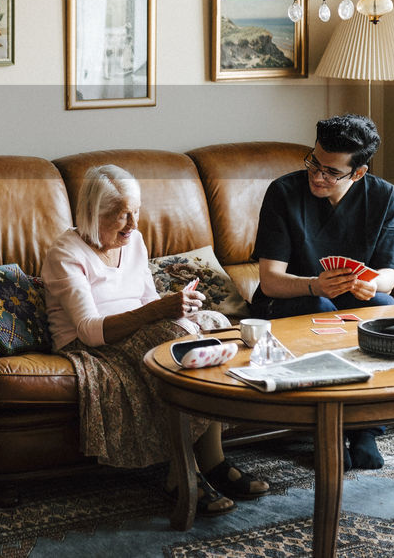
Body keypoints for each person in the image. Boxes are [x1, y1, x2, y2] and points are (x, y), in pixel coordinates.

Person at [41, 164, 269, 515]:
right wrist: (160, 315)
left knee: (209, 329)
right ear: (92, 213)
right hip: (91, 345)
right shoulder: (65, 254)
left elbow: (148, 302)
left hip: (141, 330)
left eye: (136, 211)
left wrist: (178, 310)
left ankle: (214, 460)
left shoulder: (133, 241)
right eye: (121, 216)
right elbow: (88, 329)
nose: (133, 225)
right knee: (174, 344)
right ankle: (183, 471)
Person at [252, 113, 394, 469]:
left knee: (385, 307)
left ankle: (364, 429)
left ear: (359, 173)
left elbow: (388, 275)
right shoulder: (283, 192)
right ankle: (329, 432)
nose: (317, 176)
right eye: (314, 163)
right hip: (287, 299)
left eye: (332, 172)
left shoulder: (383, 196)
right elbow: (270, 279)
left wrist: (371, 284)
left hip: (348, 297)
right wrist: (313, 284)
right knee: (320, 305)